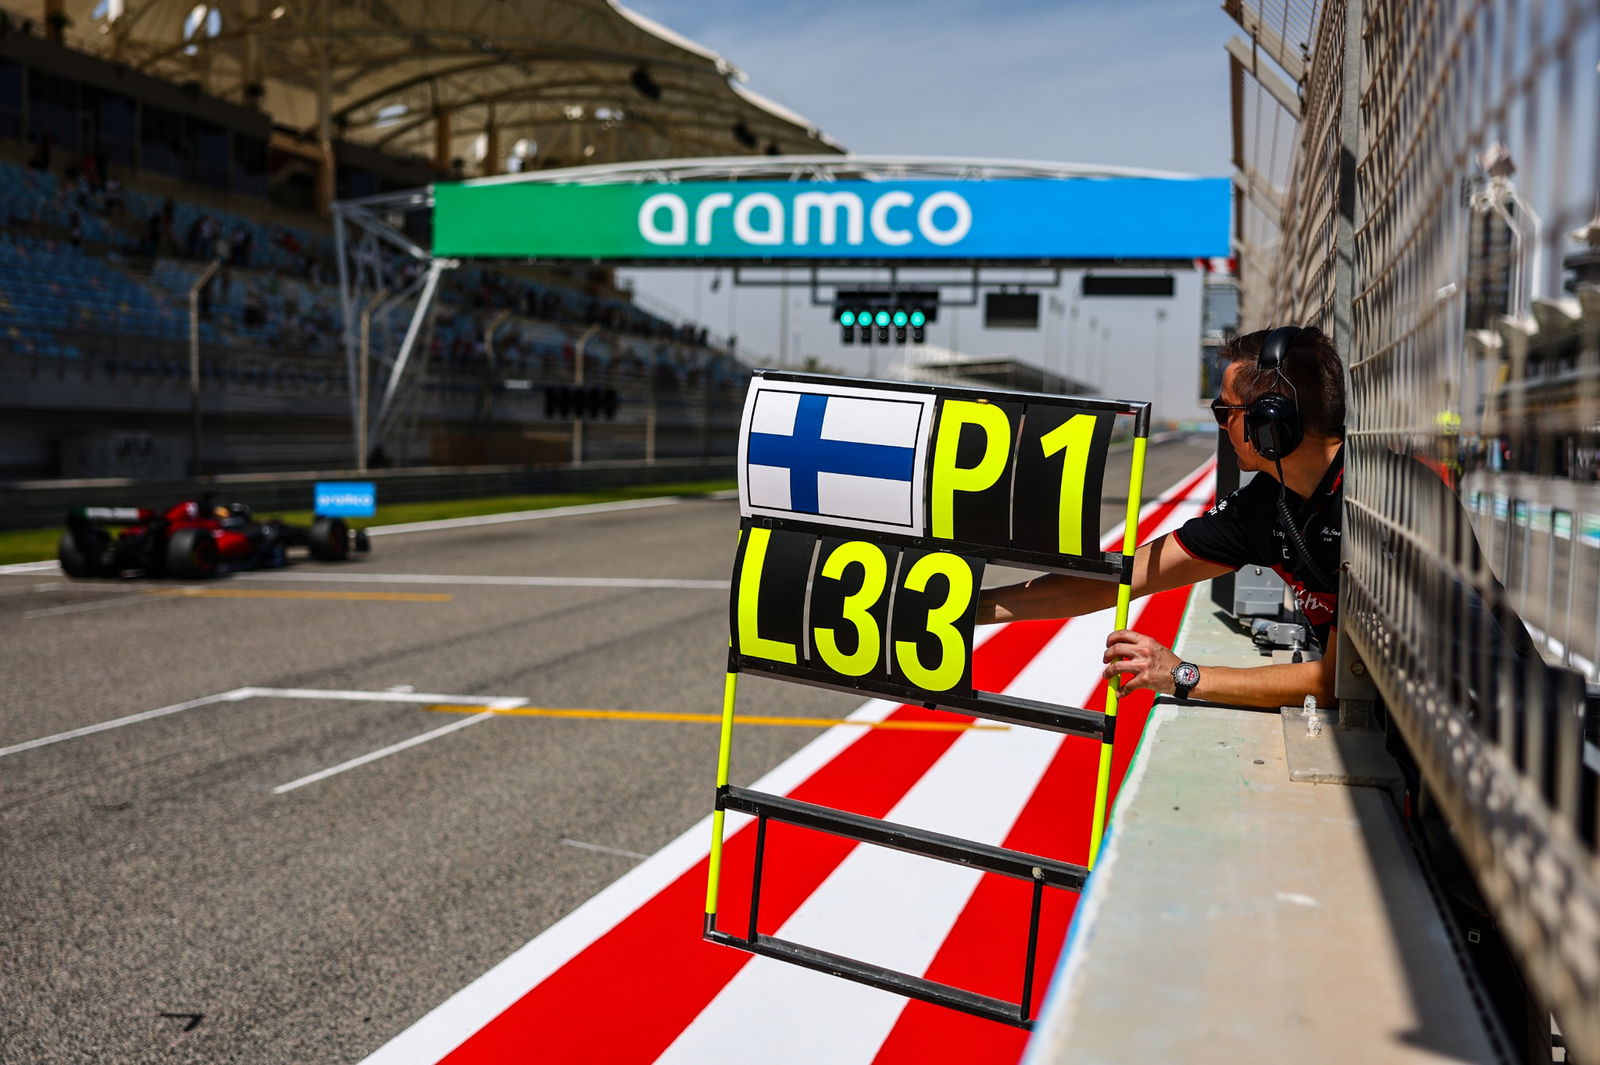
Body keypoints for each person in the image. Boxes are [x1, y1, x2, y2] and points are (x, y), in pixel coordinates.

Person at [977, 325, 1345, 708]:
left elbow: (1334, 680)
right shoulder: (1268, 502)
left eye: (1224, 412)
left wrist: (1182, 675)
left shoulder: (1365, 506)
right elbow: (1119, 580)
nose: (1222, 426)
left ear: (1269, 421)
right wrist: (965, 609)